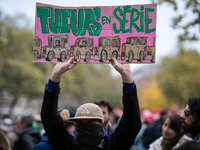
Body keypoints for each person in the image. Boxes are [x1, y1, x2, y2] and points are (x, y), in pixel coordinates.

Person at [41, 57, 141, 150]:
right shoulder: (67, 145)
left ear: (102, 124)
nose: (85, 127)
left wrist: (126, 76)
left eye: (90, 123)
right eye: (80, 123)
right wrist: (55, 75)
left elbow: (132, 121)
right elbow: (49, 116)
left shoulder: (113, 145)